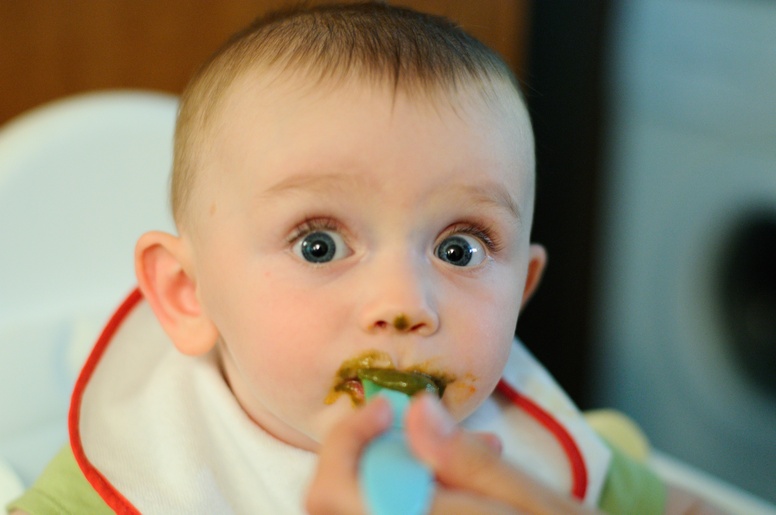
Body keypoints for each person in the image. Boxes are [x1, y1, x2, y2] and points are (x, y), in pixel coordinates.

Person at [7, 2, 723, 514]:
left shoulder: (536, 453)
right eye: (319, 245)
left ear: (522, 292)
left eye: (459, 248)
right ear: (187, 293)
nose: (405, 305)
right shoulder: (140, 464)